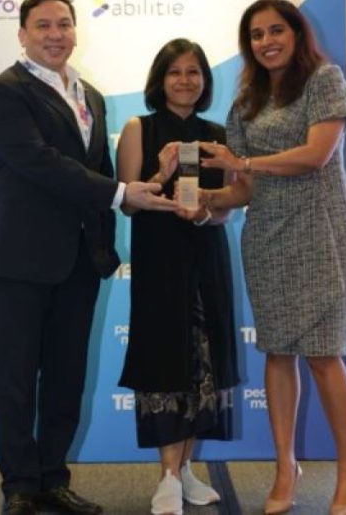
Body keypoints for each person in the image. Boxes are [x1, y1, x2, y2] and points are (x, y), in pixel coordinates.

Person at [0, 0, 178, 515]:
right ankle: (20, 487)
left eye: (63, 24)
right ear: (22, 34)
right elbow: (37, 162)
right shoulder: (3, 91)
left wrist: (139, 192)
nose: (55, 34)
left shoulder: (92, 97)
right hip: (18, 261)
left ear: (75, 31)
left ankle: (52, 479)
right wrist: (120, 193)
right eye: (43, 25)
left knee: (66, 379)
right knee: (17, 381)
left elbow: (99, 171)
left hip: (80, 261)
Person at [198, 0, 346, 515]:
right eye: (256, 35)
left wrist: (244, 161)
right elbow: (244, 189)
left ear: (296, 34)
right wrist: (206, 200)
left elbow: (316, 155)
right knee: (277, 352)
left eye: (276, 31)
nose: (266, 42)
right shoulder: (246, 101)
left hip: (321, 234)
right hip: (267, 237)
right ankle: (285, 465)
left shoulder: (323, 80)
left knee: (323, 353)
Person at [116, 39, 240, 515]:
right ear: (160, 79)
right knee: (165, 359)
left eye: (193, 72)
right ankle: (167, 476)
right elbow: (128, 202)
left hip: (207, 256)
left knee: (204, 359)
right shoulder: (139, 128)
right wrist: (161, 172)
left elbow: (226, 208)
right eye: (175, 72)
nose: (185, 81)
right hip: (159, 260)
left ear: (205, 80)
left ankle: (185, 470)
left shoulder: (216, 135)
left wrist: (206, 213)